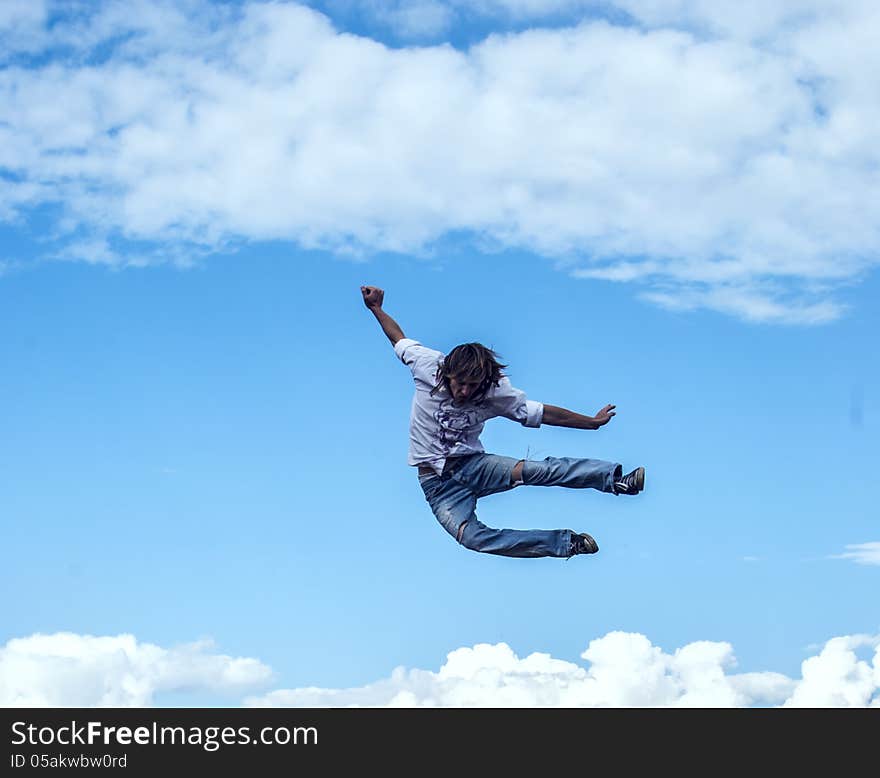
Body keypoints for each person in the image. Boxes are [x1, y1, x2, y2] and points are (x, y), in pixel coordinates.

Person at [361, 285, 645, 559]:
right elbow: (398, 338)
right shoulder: (427, 365)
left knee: (536, 470)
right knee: (473, 539)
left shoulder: (496, 392)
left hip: (474, 465)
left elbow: (543, 413)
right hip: (437, 485)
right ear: (447, 374)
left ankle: (615, 479)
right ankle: (566, 544)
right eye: (459, 384)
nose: (464, 392)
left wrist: (591, 423)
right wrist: (376, 308)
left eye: (472, 386)